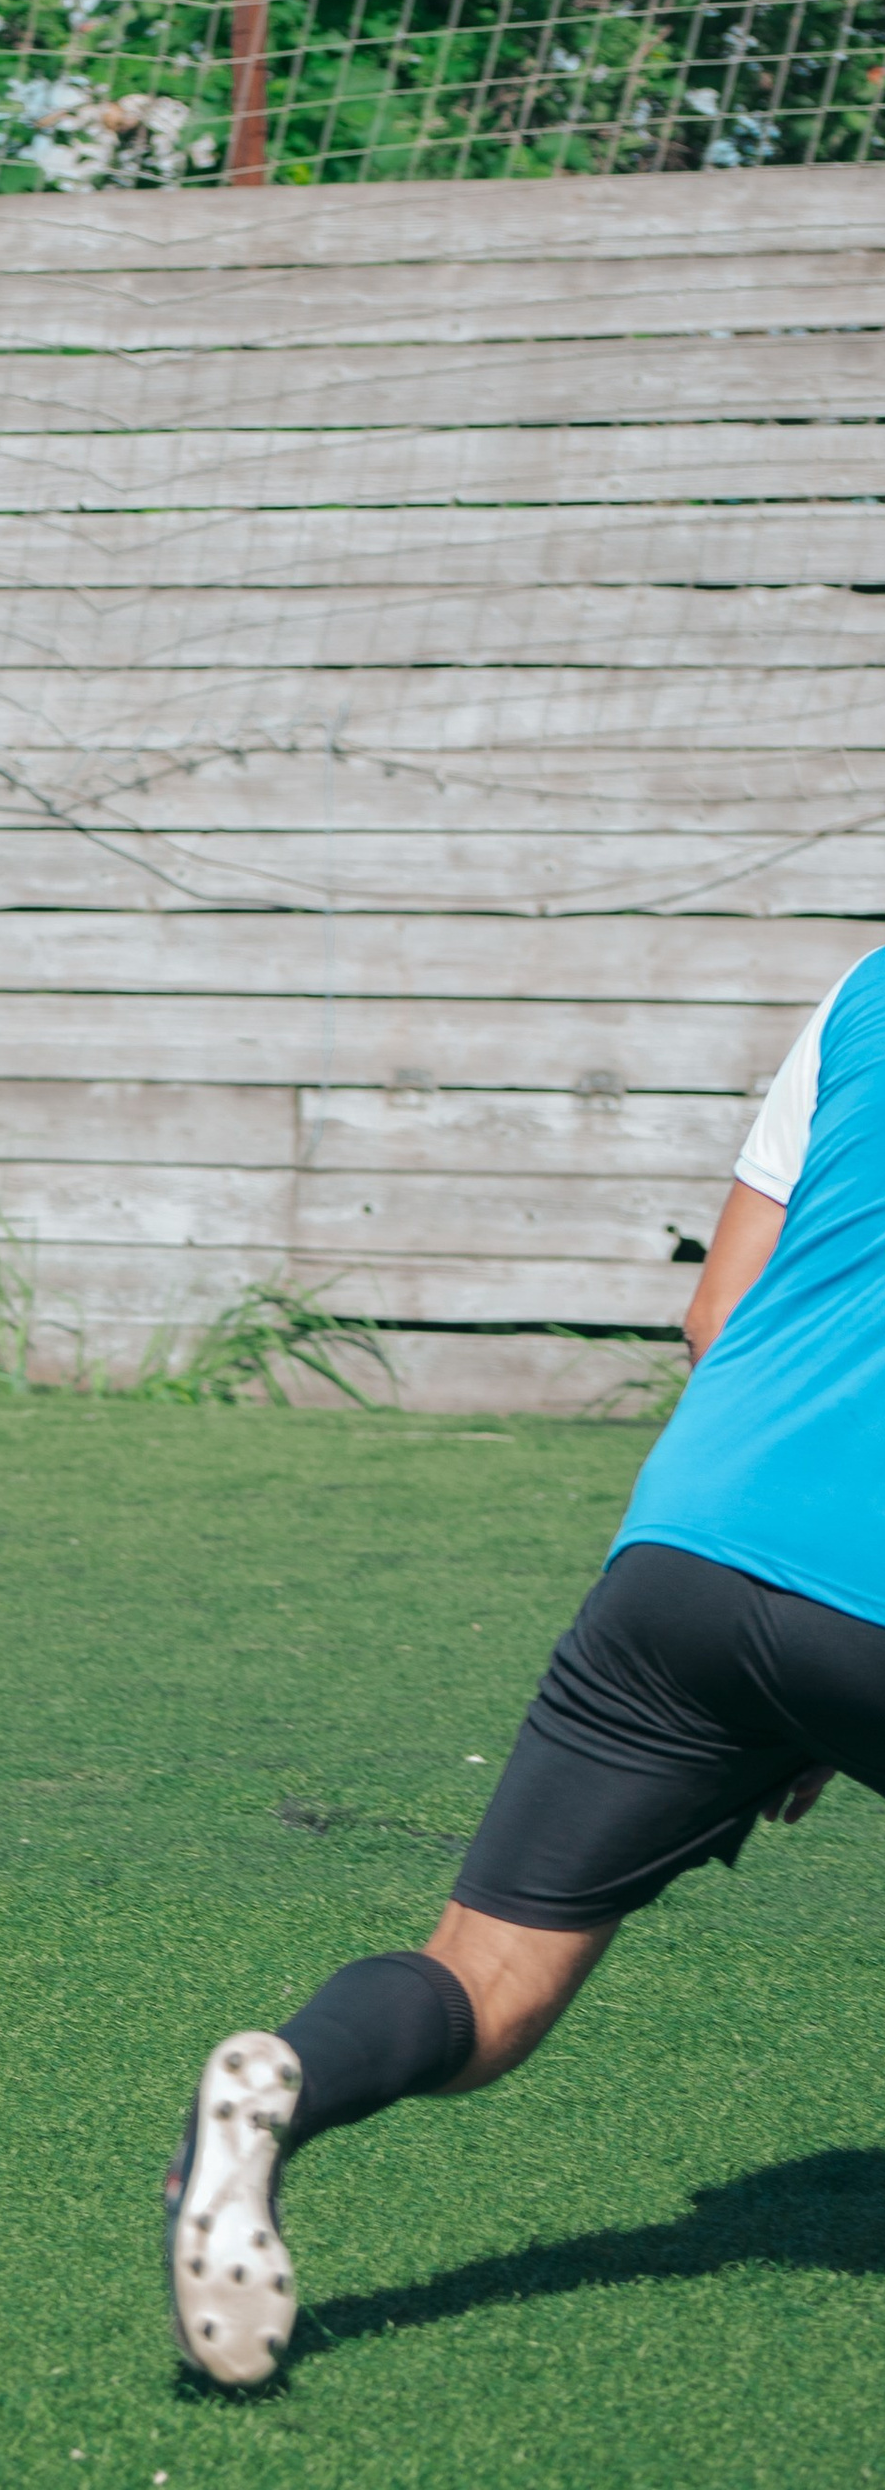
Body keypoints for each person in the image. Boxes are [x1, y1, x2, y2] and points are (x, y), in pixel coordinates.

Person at [164, 949, 877, 2388]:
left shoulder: (867, 988)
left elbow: (715, 1312)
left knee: (484, 1986)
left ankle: (283, 2087)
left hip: (696, 1544)